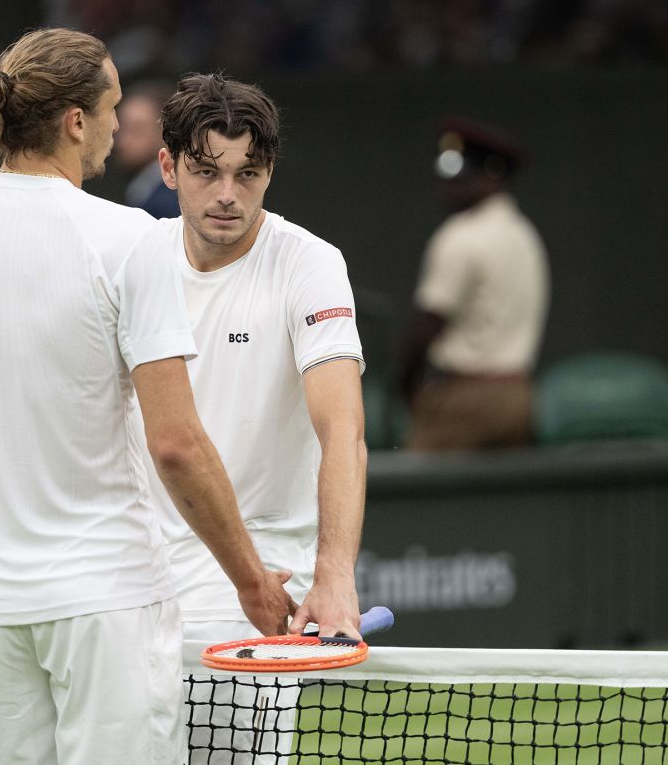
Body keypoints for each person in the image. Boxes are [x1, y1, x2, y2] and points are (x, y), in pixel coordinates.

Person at [0, 28, 294, 765]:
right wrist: (254, 583)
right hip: (108, 609)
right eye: (111, 107)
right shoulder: (131, 238)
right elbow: (175, 443)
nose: (115, 125)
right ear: (77, 121)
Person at [150, 73, 366, 762]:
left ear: (269, 171)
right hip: (130, 571)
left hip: (256, 577)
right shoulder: (129, 259)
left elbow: (344, 431)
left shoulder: (310, 265)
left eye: (247, 173)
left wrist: (333, 574)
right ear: (167, 166)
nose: (226, 195)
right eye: (206, 171)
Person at [400, 116, 549, 450]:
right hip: (517, 394)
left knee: (413, 496)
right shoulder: (524, 234)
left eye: (463, 176)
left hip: (465, 397)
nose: (448, 184)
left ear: (491, 178)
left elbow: (429, 323)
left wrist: (406, 386)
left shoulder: (461, 235)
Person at [113, 80, 180, 218]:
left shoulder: (167, 203)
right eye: (122, 128)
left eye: (137, 129)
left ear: (167, 133)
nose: (123, 141)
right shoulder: (144, 190)